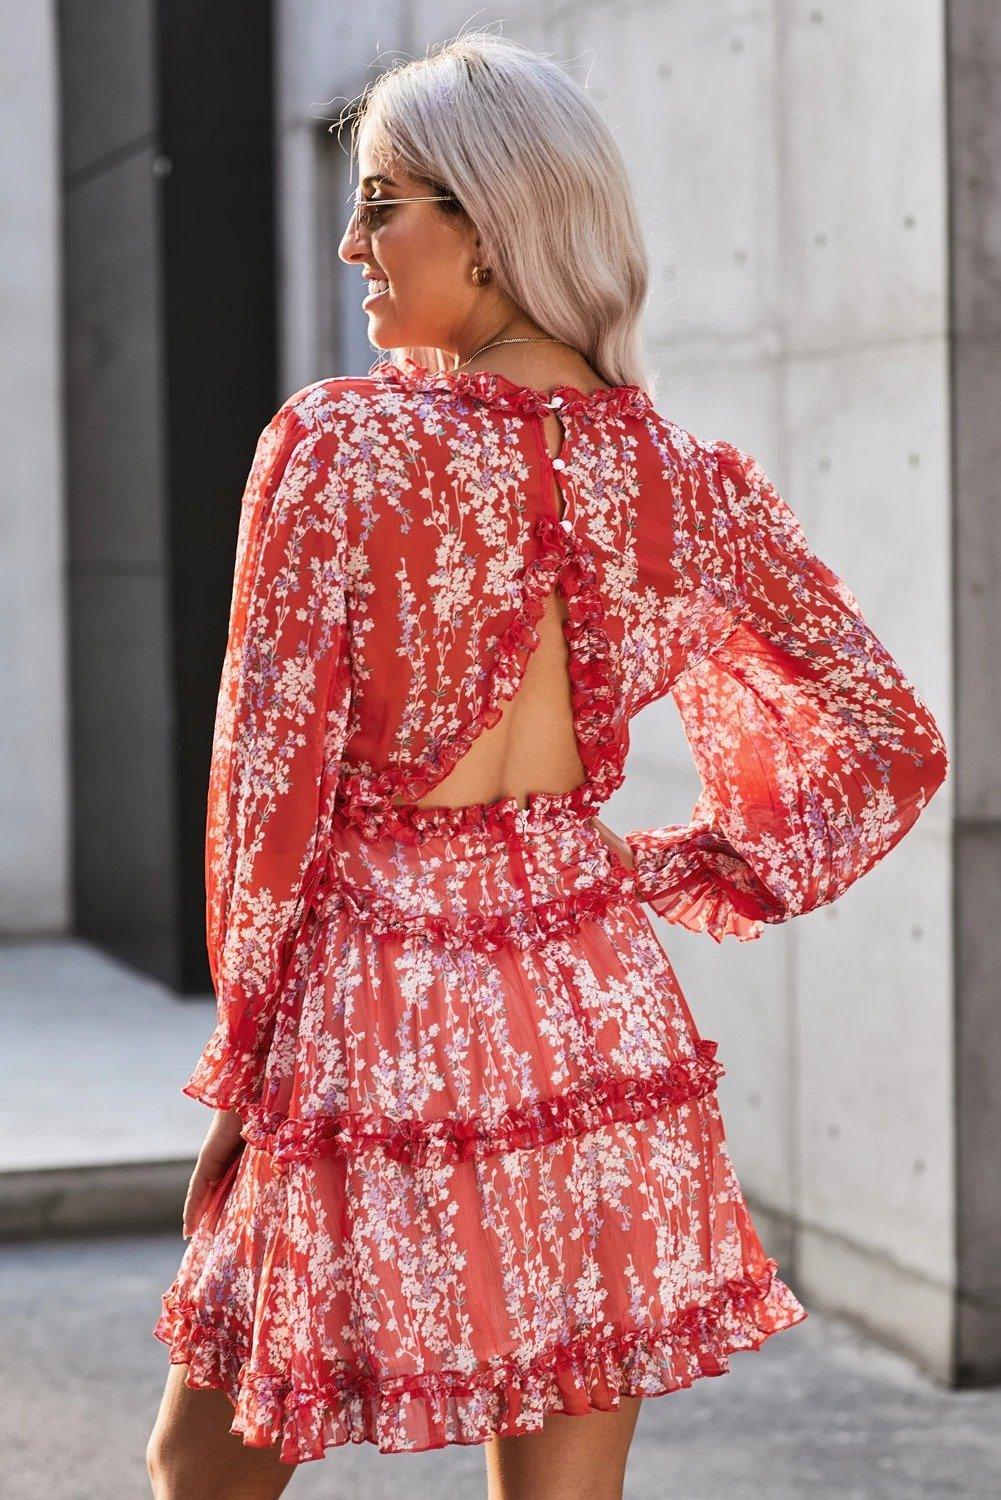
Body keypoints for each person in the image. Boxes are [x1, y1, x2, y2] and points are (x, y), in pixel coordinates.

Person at [146, 28, 949, 1500]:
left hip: (368, 1013)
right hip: (592, 1013)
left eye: (386, 201)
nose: (352, 242)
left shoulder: (340, 447)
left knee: (200, 1474)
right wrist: (663, 869)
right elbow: (888, 744)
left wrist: (239, 1081)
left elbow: (268, 803)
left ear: (497, 222)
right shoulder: (684, 483)